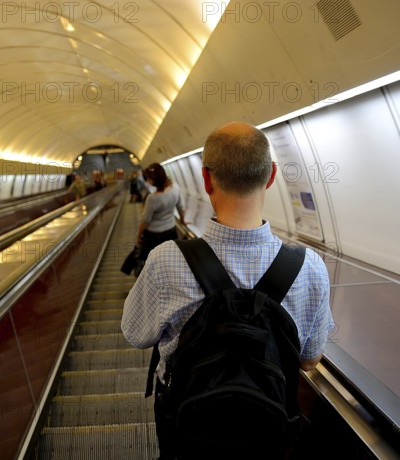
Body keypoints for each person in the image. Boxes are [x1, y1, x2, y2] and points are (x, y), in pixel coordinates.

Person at [121, 122, 335, 459]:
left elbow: (136, 334)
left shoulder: (166, 260)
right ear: (271, 176)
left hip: (186, 425)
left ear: (205, 180)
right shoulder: (310, 267)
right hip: (265, 429)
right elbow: (309, 360)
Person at [135, 163, 185, 266]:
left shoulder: (152, 198)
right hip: (171, 232)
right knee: (170, 261)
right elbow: (181, 208)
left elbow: (145, 221)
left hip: (154, 236)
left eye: (149, 178)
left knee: (153, 263)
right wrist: (183, 221)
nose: (147, 181)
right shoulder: (175, 187)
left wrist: (139, 236)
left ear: (154, 179)